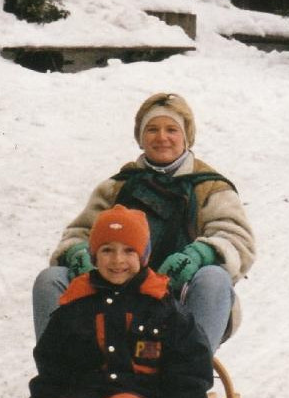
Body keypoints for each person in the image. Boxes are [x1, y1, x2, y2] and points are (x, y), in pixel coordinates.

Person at [16, 205, 213, 398]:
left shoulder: (164, 310)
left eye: (128, 251)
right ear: (94, 255)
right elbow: (51, 370)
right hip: (82, 394)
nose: (118, 260)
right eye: (107, 250)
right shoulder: (74, 307)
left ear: (144, 256)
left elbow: (188, 381)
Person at [32, 92, 256, 353]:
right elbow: (79, 233)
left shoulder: (210, 187)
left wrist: (200, 253)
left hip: (179, 297)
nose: (162, 137)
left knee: (214, 277)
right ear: (140, 137)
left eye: (171, 129)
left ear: (186, 136)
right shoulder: (118, 186)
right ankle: (58, 376)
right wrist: (77, 252)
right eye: (152, 129)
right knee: (51, 279)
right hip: (114, 290)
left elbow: (237, 239)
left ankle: (188, 376)